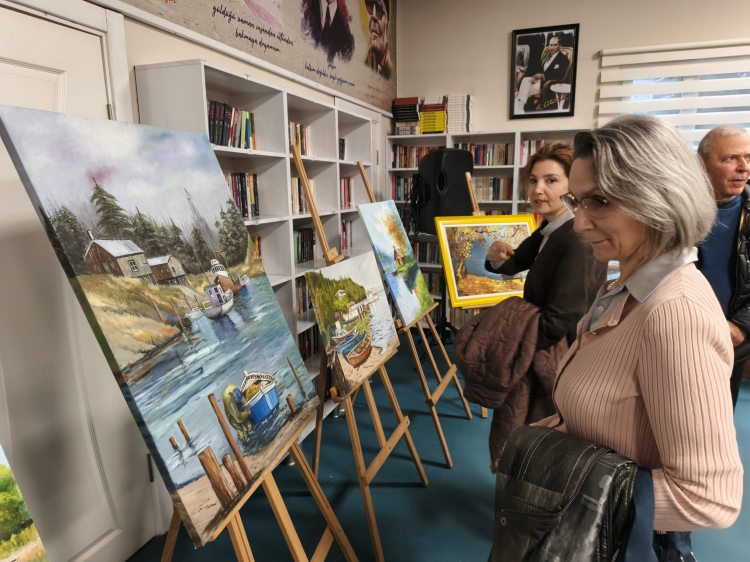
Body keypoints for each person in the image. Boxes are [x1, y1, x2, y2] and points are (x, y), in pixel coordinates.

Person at [537, 115, 742, 560]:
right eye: (577, 200)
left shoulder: (675, 314)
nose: (579, 223)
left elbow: (709, 499)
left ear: (660, 198)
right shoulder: (627, 287)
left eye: (599, 201)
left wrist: (557, 486)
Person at [486, 141, 607, 349]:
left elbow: (559, 322)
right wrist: (495, 255)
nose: (537, 189)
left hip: (561, 351)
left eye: (550, 180)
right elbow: (516, 261)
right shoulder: (552, 226)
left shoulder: (578, 240)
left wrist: (509, 345)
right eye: (533, 180)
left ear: (575, 186)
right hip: (542, 340)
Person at [696, 125, 750, 409]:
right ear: (702, 165)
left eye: (748, 158)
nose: (743, 168)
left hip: (732, 341)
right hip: (678, 336)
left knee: (718, 419)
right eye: (730, 158)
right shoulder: (677, 210)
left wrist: (741, 326)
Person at [515, 34, 570, 114]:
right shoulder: (546, 55)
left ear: (559, 46)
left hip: (547, 84)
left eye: (555, 45)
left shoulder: (563, 59)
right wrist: (526, 70)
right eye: (551, 45)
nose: (552, 47)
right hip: (538, 82)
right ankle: (520, 109)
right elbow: (537, 68)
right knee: (525, 80)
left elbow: (560, 74)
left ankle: (519, 109)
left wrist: (543, 76)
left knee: (523, 90)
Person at [364, 0, 391, 78]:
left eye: (379, 9)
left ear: (387, 24)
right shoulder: (365, 63)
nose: (374, 17)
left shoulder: (389, 69)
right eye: (370, 8)